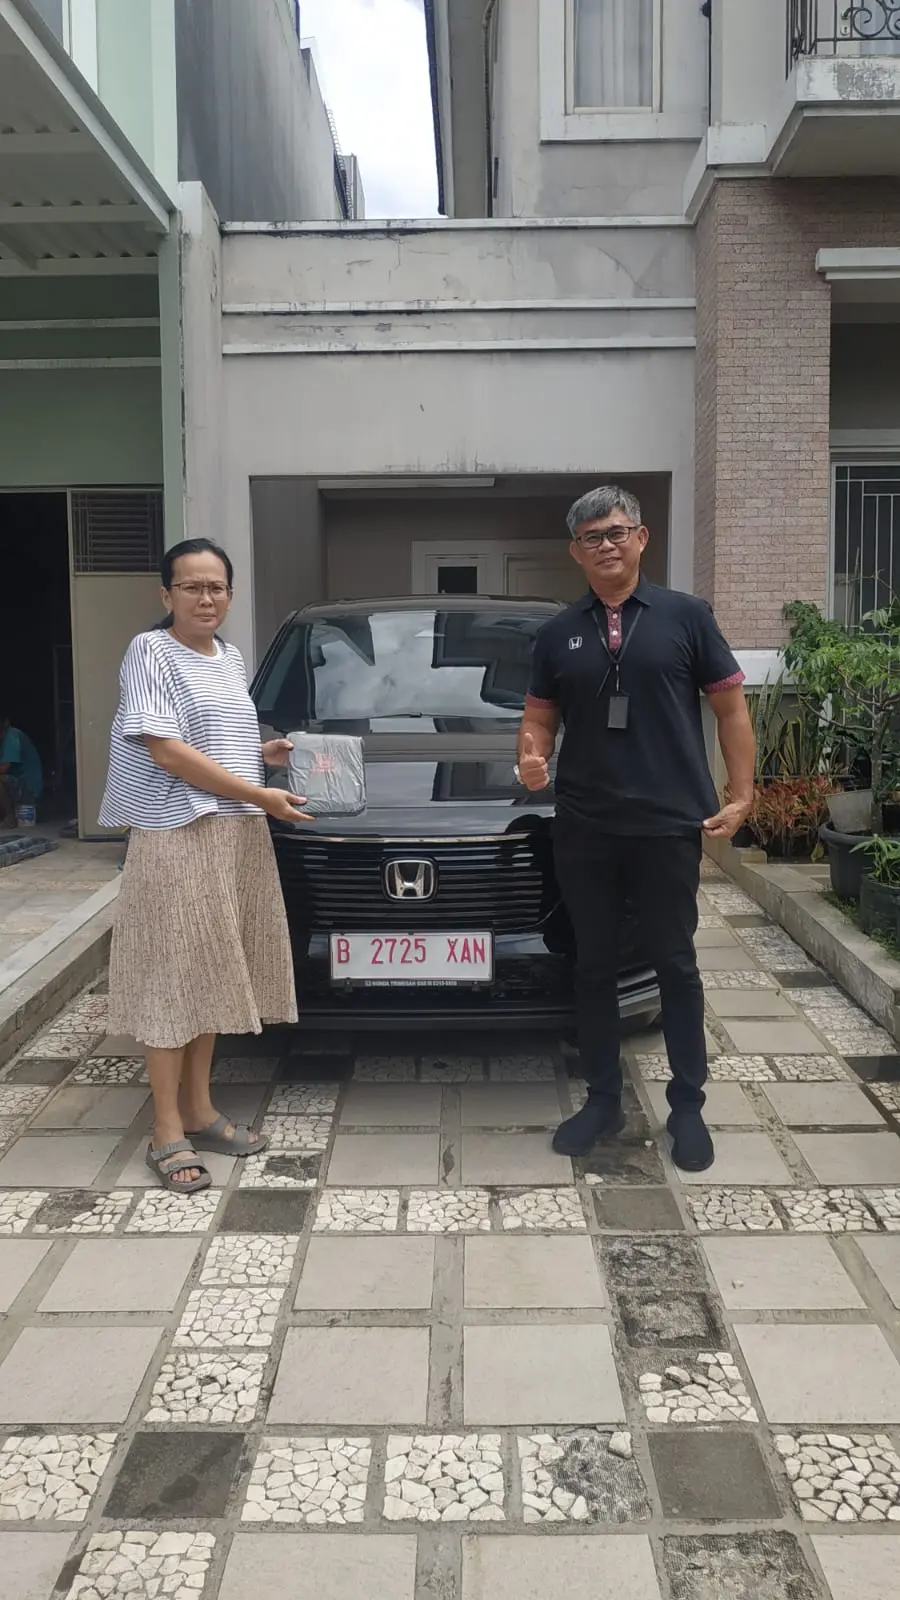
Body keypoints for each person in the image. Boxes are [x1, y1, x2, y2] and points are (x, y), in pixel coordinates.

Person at [517, 487, 755, 1172]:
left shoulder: (687, 616)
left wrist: (742, 795)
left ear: (642, 538)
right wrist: (530, 757)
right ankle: (602, 1100)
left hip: (667, 822)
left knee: (673, 962)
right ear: (576, 551)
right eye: (592, 537)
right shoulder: (558, 632)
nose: (607, 545)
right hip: (586, 825)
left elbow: (731, 710)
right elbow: (539, 719)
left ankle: (687, 1106)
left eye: (617, 532)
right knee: (592, 966)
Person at [99, 538, 313, 1193]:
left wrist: (261, 754)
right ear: (166, 594)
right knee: (171, 978)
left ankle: (198, 1108)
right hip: (176, 835)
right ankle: (166, 1129)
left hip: (233, 834)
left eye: (216, 586)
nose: (205, 598)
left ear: (230, 593)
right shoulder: (151, 651)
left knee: (213, 971)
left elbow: (212, 741)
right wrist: (258, 793)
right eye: (191, 586)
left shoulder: (230, 656)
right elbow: (166, 750)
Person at [0, 715, 43, 825]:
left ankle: (11, 817)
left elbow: (4, 768)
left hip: (28, 787)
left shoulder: (12, 736)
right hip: (16, 784)